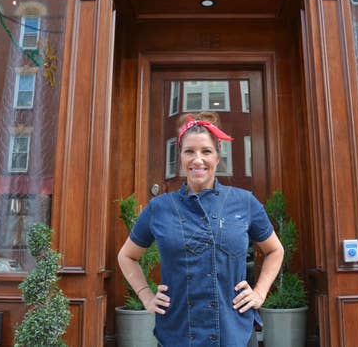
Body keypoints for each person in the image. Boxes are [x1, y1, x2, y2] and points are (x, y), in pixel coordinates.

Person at [118, 111, 284, 347]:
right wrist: (146, 295)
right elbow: (126, 256)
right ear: (180, 158)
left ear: (217, 157)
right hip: (178, 333)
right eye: (189, 151)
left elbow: (275, 251)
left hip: (233, 331)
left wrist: (259, 293)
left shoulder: (244, 202)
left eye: (206, 151)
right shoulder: (160, 208)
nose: (198, 160)